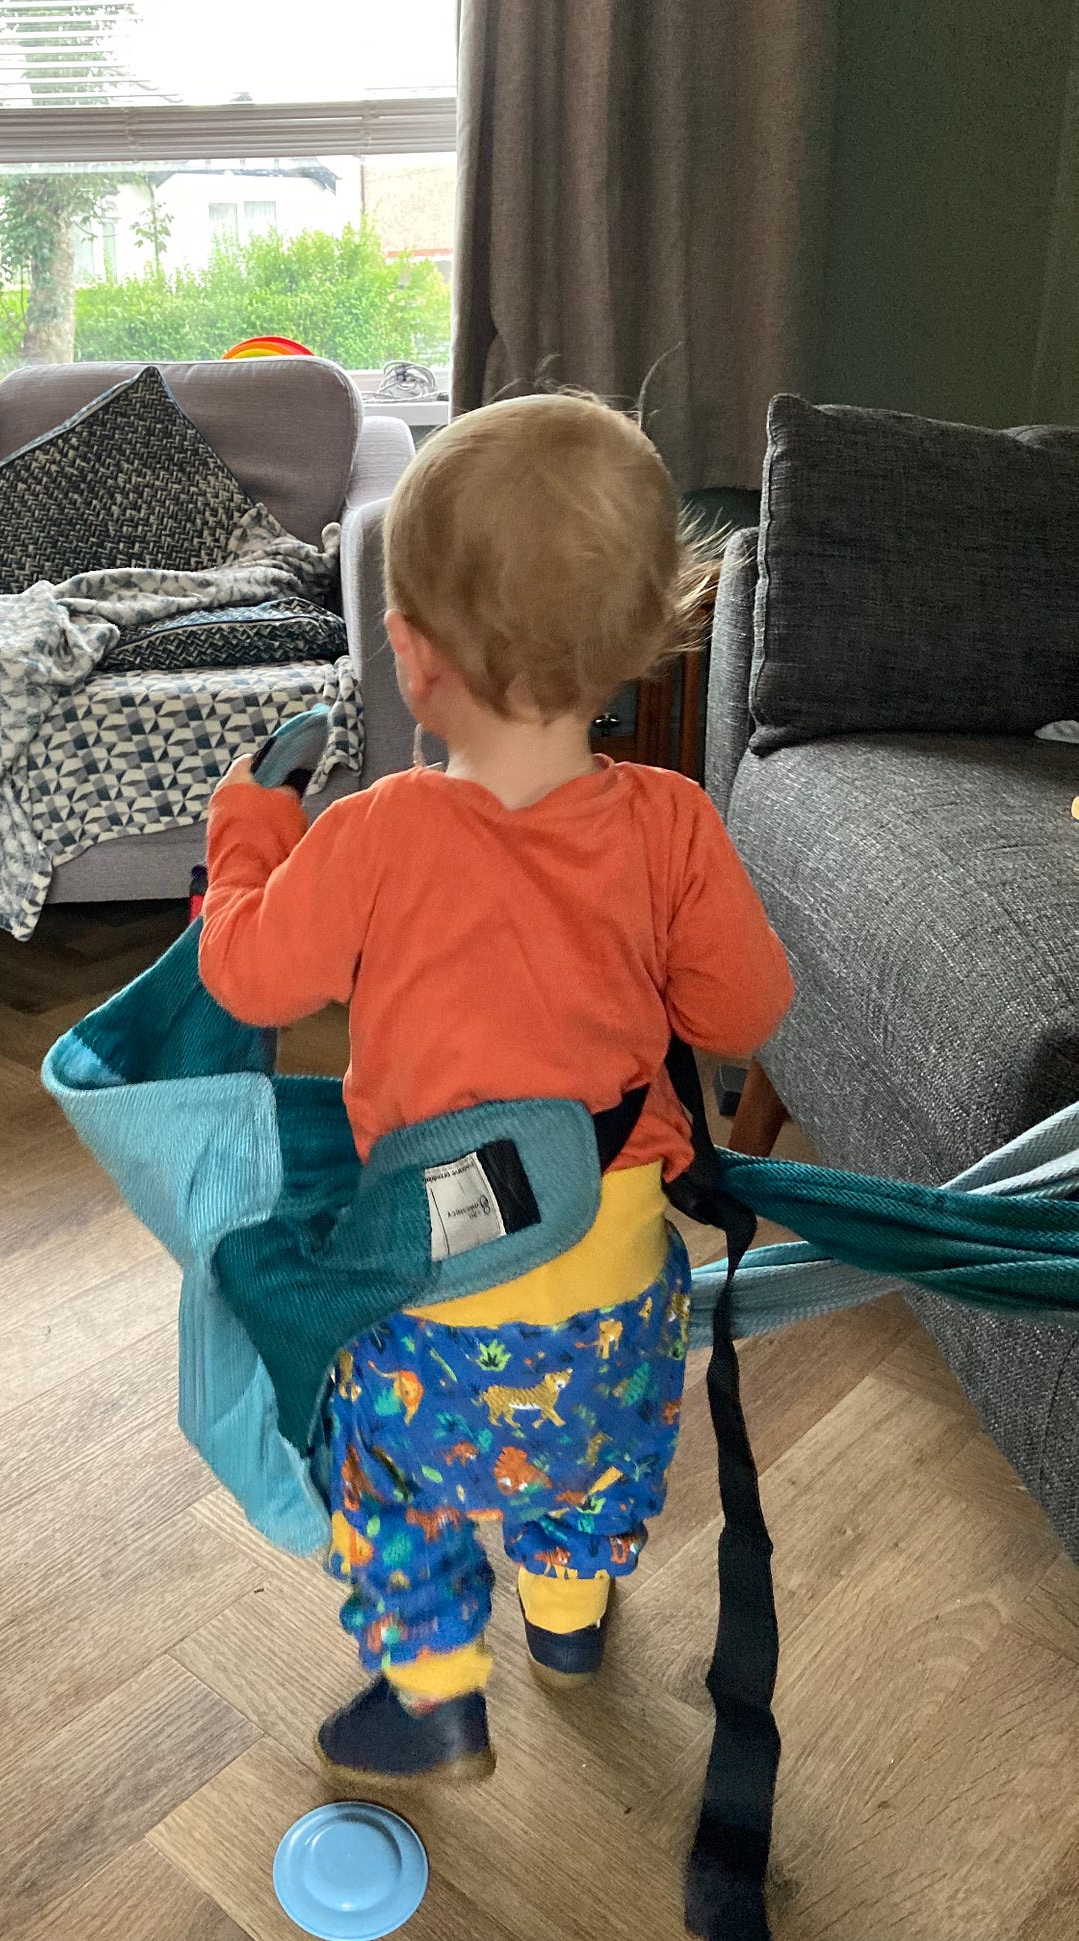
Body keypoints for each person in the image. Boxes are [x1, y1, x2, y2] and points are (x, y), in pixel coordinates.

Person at [198, 391, 793, 1785]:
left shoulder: (375, 832)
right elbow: (749, 1011)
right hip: (617, 1277)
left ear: (411, 657)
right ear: (653, 634)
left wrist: (245, 835)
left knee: (393, 1474)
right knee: (586, 1467)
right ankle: (571, 1623)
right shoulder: (670, 825)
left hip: (435, 1301)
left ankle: (435, 1693)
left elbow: (248, 977)